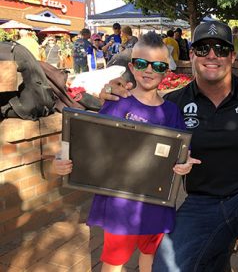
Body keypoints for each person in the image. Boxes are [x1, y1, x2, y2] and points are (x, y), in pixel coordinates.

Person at [100, 21, 238, 272]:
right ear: (193, 54)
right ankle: (218, 254)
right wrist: (113, 92)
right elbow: (137, 115)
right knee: (166, 268)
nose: (211, 55)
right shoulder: (174, 103)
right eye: (202, 48)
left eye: (220, 49)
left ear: (232, 55)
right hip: (201, 203)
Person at [53, 32, 201, 272]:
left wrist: (184, 165)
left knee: (149, 258)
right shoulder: (117, 101)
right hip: (119, 203)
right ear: (132, 66)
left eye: (158, 65)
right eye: (142, 64)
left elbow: (182, 152)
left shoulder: (172, 112)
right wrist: (61, 159)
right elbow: (89, 142)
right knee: (114, 260)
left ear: (166, 70)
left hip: (155, 202)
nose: (149, 70)